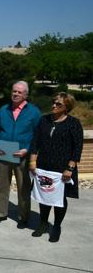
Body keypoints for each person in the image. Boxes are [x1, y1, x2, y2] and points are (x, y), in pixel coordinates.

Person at [29, 92, 83, 242]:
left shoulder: (73, 123)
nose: (54, 105)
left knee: (59, 199)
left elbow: (77, 148)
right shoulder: (44, 120)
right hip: (44, 166)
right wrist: (33, 162)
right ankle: (43, 223)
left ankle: (57, 226)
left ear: (67, 107)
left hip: (62, 168)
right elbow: (35, 142)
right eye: (54, 102)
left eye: (58, 104)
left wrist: (70, 168)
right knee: (44, 195)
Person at [0, 81, 41, 227]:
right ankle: (1, 214)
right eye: (14, 91)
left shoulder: (33, 112)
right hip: (4, 153)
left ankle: (23, 217)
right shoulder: (4, 110)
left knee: (23, 188)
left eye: (19, 92)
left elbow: (39, 135)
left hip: (23, 156)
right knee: (2, 186)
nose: (15, 94)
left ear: (26, 94)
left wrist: (27, 149)